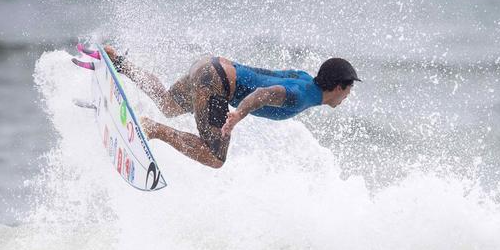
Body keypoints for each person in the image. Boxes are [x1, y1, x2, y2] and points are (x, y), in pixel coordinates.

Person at [104, 46, 360, 169]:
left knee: (168, 104)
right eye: (349, 89)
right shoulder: (301, 96)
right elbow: (264, 92)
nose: (348, 96)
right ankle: (151, 129)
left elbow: (263, 75)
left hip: (210, 67)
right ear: (338, 87)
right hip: (216, 80)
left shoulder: (304, 79)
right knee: (214, 157)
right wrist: (239, 113)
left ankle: (119, 62)